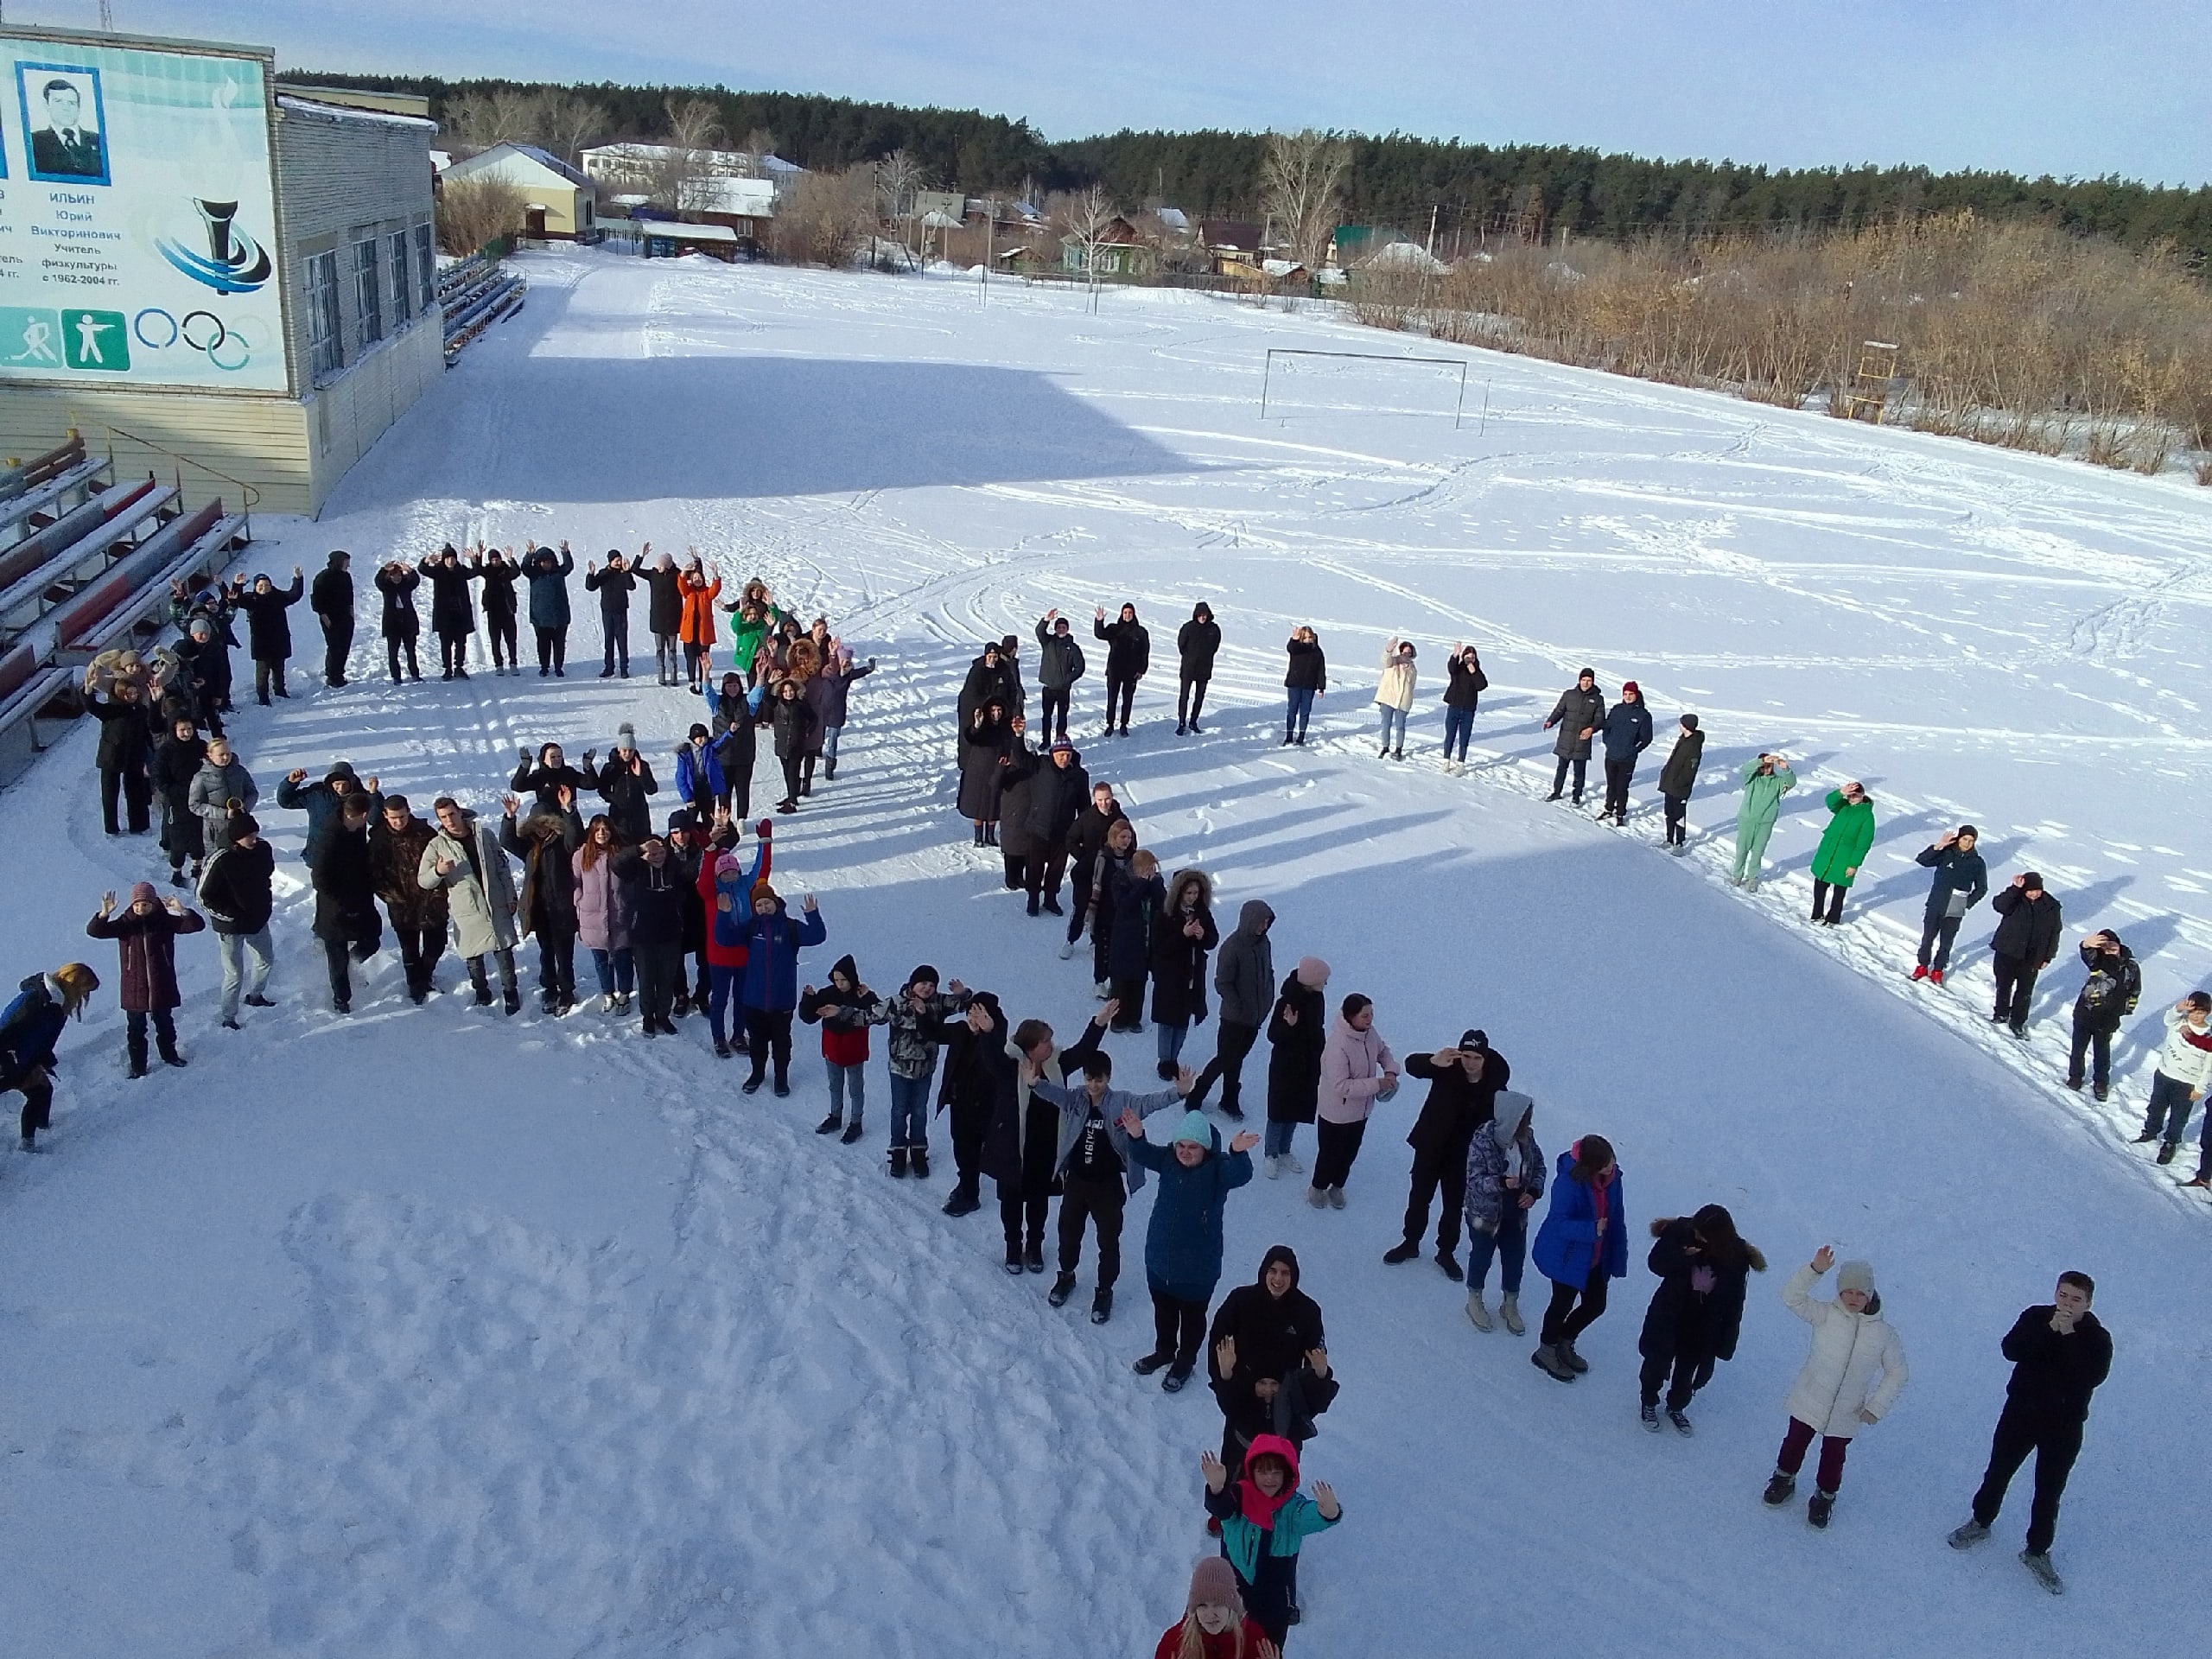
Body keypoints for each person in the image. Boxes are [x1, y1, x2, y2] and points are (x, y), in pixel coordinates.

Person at [1948, 1272, 2112, 1595]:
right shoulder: (2036, 1316)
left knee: (2049, 1490)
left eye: (2076, 1299)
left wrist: (2068, 1336)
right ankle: (1980, 1521)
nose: (2067, 1303)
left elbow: (2090, 1376)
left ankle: (2037, 1550)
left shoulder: (2097, 1338)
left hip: (2063, 1426)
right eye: (2063, 1295)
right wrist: (2049, 1330)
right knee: (1998, 1472)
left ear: (2088, 1303)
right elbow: (2011, 1349)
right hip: (2021, 1414)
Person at [1027, 1011, 1182, 1316]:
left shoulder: (1122, 1102)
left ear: (1108, 1078)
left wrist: (1180, 1092)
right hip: (1076, 1183)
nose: (1093, 1085)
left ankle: (1104, 1290)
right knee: (1068, 1233)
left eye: (1098, 1080)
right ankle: (1066, 1276)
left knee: (1108, 1241)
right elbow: (1054, 1094)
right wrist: (1035, 1085)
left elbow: (1152, 1101)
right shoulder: (1076, 1099)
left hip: (1107, 1188)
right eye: (1088, 1079)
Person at [1763, 1247, 1908, 1529]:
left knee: (1833, 1457)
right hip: (1811, 1396)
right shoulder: (1825, 1314)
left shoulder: (1883, 1333)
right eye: (1848, 1292)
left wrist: (1876, 1406)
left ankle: (1824, 1497)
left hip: (1847, 1410)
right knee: (1794, 1442)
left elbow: (1898, 1372)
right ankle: (1783, 1478)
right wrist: (1814, 1270)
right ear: (1839, 1292)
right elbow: (1790, 1297)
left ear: (1870, 1294)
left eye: (1860, 1293)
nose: (1853, 1298)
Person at [1128, 1109, 1260, 1390]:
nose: (1185, 1152)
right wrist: (1137, 1136)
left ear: (1206, 1149)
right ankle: (1164, 1351)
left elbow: (1240, 1174)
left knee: (1192, 1319)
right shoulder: (1167, 1160)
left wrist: (1237, 1152)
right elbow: (1142, 1154)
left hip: (1198, 1268)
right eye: (1181, 1146)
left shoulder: (1218, 1170)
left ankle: (1185, 1359)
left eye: (1193, 1147)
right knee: (1163, 1313)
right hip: (1160, 1260)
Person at [1385, 1031, 1510, 1277]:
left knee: (1453, 1206)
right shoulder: (1447, 1066)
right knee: (1419, 1198)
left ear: (1485, 1058)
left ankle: (1446, 1251)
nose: (1470, 1062)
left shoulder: (1496, 1085)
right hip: (1430, 1147)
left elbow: (1504, 1122)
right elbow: (1411, 1064)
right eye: (1466, 1055)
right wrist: (1432, 1061)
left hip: (1463, 1158)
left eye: (1476, 1057)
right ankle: (1410, 1243)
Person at [1208, 1247, 1338, 1478]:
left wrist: (1316, 1377)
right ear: (1263, 1272)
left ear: (1294, 1276)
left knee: (1279, 1465)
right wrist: (1229, 1378)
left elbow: (1315, 1361)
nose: (1278, 1279)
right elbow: (1217, 1347)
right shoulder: (1240, 1301)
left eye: (1285, 1273)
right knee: (1238, 1457)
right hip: (1245, 1395)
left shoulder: (1307, 1311)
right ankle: (1231, 1507)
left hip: (1285, 1401)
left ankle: (1280, 1510)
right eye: (1273, 1271)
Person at [1198, 1437, 1340, 1649]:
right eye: (1263, 1472)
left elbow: (1309, 1516)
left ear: (1287, 1474)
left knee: (1268, 1648)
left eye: (1276, 1472)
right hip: (1234, 1589)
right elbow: (1223, 1508)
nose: (1270, 1479)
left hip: (1274, 1598)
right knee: (1231, 1645)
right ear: (1252, 1472)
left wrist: (1329, 1513)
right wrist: (1217, 1489)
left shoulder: (1292, 1507)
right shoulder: (1240, 1496)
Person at [1637, 1205, 1764, 1434]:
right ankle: (1648, 1401)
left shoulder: (1736, 1255)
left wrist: (1726, 1339)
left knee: (1688, 1370)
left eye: (1703, 1234)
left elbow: (1735, 1300)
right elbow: (1656, 1263)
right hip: (1670, 1312)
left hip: (1704, 1321)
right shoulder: (1681, 1231)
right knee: (1657, 1360)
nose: (1697, 1236)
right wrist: (1683, 1259)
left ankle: (1676, 1406)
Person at [1529, 1134, 1625, 1382]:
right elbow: (1558, 1223)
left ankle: (1564, 1340)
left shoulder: (1613, 1179)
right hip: (1568, 1256)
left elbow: (1617, 1216)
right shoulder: (1569, 1183)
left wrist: (1617, 1251)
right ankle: (1545, 1350)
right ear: (1591, 1166)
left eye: (1612, 1159)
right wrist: (1591, 1230)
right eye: (1605, 1163)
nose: (1611, 1166)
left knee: (1596, 1304)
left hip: (1597, 1255)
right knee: (1561, 1303)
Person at [86, 884, 204, 1077]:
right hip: (134, 987)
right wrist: (103, 914)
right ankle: (138, 1066)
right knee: (136, 1030)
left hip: (162, 984)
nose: (141, 909)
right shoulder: (125, 924)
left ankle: (170, 1055)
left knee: (165, 1024)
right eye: (137, 905)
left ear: (154, 904)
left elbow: (196, 926)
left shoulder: (164, 921)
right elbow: (95, 931)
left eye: (146, 905)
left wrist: (182, 910)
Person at [419, 795, 522, 1014]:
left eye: (452, 814)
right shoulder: (437, 845)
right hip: (466, 907)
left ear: (460, 812)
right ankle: (481, 990)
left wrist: (510, 896)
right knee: (473, 954)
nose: (449, 821)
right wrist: (438, 871)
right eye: (443, 817)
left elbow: (503, 867)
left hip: (494, 901)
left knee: (504, 951)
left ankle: (511, 992)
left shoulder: (484, 835)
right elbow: (423, 880)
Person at [735, 881, 825, 1096]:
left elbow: (818, 936)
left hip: (782, 1000)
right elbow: (723, 938)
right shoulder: (750, 927)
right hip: (753, 999)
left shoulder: (790, 927)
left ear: (776, 903)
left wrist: (813, 915)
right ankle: (757, 1074)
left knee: (781, 1044)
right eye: (759, 905)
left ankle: (781, 1078)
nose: (764, 908)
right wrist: (723, 914)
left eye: (767, 903)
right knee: (757, 1042)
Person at [1462, 1093, 1541, 1334]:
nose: (1526, 1125)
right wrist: (1500, 1182)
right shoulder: (1482, 1142)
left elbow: (1539, 1166)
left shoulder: (1527, 1139)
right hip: (1485, 1213)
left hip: (1515, 1210)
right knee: (1482, 1257)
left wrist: (1534, 1191)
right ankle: (1474, 1299)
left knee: (1515, 1258)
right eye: (1523, 1120)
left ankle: (1510, 1303)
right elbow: (1474, 1181)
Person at [879, 965, 968, 1179]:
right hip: (899, 1069)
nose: (927, 988)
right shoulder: (896, 1003)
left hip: (924, 1069)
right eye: (923, 983)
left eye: (931, 985)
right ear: (912, 984)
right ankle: (898, 1150)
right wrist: (840, 1012)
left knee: (919, 1111)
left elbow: (968, 1005)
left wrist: (963, 994)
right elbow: (869, 1015)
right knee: (899, 1111)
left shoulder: (939, 1003)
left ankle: (918, 1150)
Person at [1310, 994, 1397, 1209]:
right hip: (1336, 1114)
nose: (1370, 1019)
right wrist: (1377, 1084)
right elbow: (1341, 1086)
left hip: (1361, 1112)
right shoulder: (1337, 1046)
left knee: (1350, 1152)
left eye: (1371, 1014)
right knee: (1329, 1154)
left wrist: (1391, 1071)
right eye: (1365, 1015)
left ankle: (1337, 1186)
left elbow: (1382, 1050)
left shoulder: (1369, 1034)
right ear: (1351, 1016)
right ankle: (1318, 1187)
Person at [2, 963, 99, 1150]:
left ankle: (37, 1131)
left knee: (42, 1091)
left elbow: (42, 1040)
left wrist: (39, 1063)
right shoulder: (39, 1002)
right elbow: (8, 1028)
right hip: (7, 1061)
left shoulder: (54, 1004)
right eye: (84, 992)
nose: (84, 998)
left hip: (21, 1060)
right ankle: (27, 1145)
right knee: (39, 1092)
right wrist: (11, 1061)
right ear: (73, 985)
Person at [1192, 900, 1274, 1120]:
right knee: (1225, 1058)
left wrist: (1267, 1000)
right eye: (1260, 921)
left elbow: (1268, 973)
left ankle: (1229, 1099)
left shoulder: (1264, 944)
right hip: (1234, 1018)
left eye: (1267, 922)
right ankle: (1196, 1095)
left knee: (1237, 1059)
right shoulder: (1233, 947)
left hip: (1255, 1018)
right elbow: (1222, 982)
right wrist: (1237, 1004)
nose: (1264, 926)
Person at [696, 831, 774, 1058]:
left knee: (742, 998)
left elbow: (762, 869)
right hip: (719, 956)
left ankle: (739, 1035)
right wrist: (710, 852)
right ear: (718, 874)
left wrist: (764, 842)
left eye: (733, 871)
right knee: (719, 999)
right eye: (725, 872)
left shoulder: (747, 886)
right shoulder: (712, 892)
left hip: (744, 954)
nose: (730, 875)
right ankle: (719, 1038)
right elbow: (704, 879)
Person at [505, 792, 584, 1014]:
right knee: (546, 951)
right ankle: (549, 988)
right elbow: (507, 840)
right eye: (536, 825)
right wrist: (510, 817)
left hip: (562, 908)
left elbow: (575, 836)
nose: (541, 829)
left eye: (545, 824)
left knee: (564, 953)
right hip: (539, 909)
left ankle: (567, 990)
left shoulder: (563, 844)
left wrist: (569, 811)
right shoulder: (529, 846)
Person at [198, 812, 276, 1028]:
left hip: (258, 920)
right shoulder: (220, 858)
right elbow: (203, 896)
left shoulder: (263, 849)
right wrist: (230, 914)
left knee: (266, 959)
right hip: (230, 926)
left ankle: (256, 995)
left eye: (255, 834)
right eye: (248, 836)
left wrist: (263, 905)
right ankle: (228, 1016)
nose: (253, 839)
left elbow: (267, 874)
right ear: (235, 838)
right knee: (234, 974)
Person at [368, 795, 445, 1004]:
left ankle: (426, 974)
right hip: (401, 903)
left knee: (436, 944)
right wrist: (391, 898)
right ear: (385, 815)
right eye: (394, 818)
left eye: (402, 816)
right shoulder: (379, 839)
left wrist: (439, 891)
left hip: (430, 899)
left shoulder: (424, 833)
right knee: (409, 949)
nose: (399, 822)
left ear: (409, 811)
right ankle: (415, 985)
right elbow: (375, 875)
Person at [312, 793, 384, 1014]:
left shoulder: (357, 829)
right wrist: (343, 902)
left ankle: (354, 963)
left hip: (361, 899)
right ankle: (341, 999)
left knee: (372, 940)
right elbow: (320, 879)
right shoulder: (330, 838)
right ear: (362, 815)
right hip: (335, 909)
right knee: (337, 955)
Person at [799, 955, 881, 1141]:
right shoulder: (828, 994)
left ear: (852, 978)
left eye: (843, 980)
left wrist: (869, 996)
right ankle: (835, 1116)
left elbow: (879, 1012)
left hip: (854, 1049)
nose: (840, 984)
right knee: (835, 1085)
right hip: (832, 1048)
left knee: (855, 1088)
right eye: (836, 980)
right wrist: (809, 999)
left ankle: (856, 1122)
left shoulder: (861, 994)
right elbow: (809, 1017)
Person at [613, 830, 687, 1035]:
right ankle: (647, 1016)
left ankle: (663, 1015)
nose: (657, 857)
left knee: (666, 978)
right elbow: (616, 863)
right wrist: (639, 849)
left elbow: (692, 873)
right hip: (643, 935)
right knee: (646, 978)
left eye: (660, 852)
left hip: (670, 933)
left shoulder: (674, 867)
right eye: (652, 854)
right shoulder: (635, 870)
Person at [1263, 958, 1328, 1178]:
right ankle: (1270, 1154)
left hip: (1308, 1065)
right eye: (1323, 980)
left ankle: (1285, 1150)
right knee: (1278, 1110)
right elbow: (1272, 1034)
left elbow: (1317, 1030)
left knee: (1296, 1109)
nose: (1325, 984)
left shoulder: (1318, 1000)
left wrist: (1324, 1054)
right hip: (1285, 1065)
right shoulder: (1286, 1003)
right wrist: (1289, 1027)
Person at [1153, 868, 1219, 1077]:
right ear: (1179, 893)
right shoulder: (1165, 914)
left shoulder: (1202, 914)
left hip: (1193, 977)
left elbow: (1213, 940)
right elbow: (1160, 947)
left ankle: (1174, 1058)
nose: (1193, 897)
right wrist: (1182, 935)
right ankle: (1165, 1060)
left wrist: (1202, 935)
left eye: (1196, 893)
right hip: (1170, 977)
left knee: (1183, 1020)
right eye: (1189, 893)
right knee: (1167, 1021)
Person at [2135, 991, 2212, 1167]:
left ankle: (2170, 1143)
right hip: (2164, 1075)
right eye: (2193, 1012)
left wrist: (2200, 1088)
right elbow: (2167, 1019)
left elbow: (2209, 1067)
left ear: (2208, 1013)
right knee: (2156, 1107)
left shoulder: (2208, 1037)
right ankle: (2151, 1131)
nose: (2196, 1016)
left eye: (2200, 1013)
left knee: (2179, 1116)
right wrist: (2178, 1008)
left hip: (2187, 1083)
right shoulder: (2178, 1023)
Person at [2064, 931, 2140, 1099]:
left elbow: (2135, 990)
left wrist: (2125, 1009)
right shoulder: (2097, 962)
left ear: (2119, 945)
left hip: (2109, 1019)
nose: (2109, 949)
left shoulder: (2132, 967)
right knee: (2078, 1049)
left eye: (2112, 945)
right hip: (2086, 1014)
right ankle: (2075, 1077)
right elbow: (2087, 955)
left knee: (2102, 1053)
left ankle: (2101, 1082)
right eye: (2104, 946)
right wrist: (2085, 944)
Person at [1154, 1556, 1276, 1659]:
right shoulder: (1174, 1644)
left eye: (1218, 1604)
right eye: (1202, 1605)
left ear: (1231, 1606)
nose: (1210, 1614)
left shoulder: (1254, 1639)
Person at [1019, 740, 1090, 916]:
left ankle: (1051, 899)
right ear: (1053, 754)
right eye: (1060, 755)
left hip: (1064, 832)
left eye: (1067, 755)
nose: (1064, 759)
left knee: (1057, 868)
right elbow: (1020, 757)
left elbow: (1084, 805)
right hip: (1038, 828)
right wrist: (1018, 736)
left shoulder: (1079, 775)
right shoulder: (1040, 766)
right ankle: (1033, 899)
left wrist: (1083, 831)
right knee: (1034, 866)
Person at [1988, 873, 2063, 1036]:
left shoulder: (2051, 906)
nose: (2034, 893)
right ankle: (2001, 1013)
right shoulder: (2015, 899)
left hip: (2032, 956)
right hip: (2007, 950)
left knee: (2025, 991)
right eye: (2030, 890)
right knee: (2003, 985)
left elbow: (2055, 932)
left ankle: (2017, 1022)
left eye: (2037, 890)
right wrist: (2015, 889)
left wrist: (2048, 956)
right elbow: (1999, 905)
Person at [1911, 824, 1988, 983]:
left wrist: (1966, 903)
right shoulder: (1946, 853)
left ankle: (1938, 970)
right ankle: (1922, 966)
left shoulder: (1977, 863)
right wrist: (1939, 846)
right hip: (1935, 904)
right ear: (1959, 838)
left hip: (1955, 907)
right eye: (1964, 839)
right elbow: (1922, 860)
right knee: (1927, 939)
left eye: (1971, 841)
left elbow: (1982, 889)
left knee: (1946, 942)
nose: (1967, 843)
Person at [1058, 780, 1125, 963]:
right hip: (1087, 874)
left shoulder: (1119, 819)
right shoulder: (1086, 818)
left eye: (1108, 799)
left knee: (1103, 911)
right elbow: (1070, 839)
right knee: (1081, 908)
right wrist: (1086, 859)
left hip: (1110, 875)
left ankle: (1095, 942)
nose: (1105, 803)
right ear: (1095, 799)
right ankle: (1071, 940)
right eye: (1101, 800)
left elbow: (1128, 840)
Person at [573, 815, 634, 1013]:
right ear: (591, 832)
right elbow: (575, 884)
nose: (602, 833)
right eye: (597, 829)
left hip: (619, 915)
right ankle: (608, 993)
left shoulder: (621, 853)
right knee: (600, 960)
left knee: (623, 958)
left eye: (605, 829)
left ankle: (624, 994)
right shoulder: (581, 855)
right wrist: (580, 901)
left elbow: (631, 882)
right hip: (592, 917)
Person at [276, 761, 381, 868]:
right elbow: (286, 801)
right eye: (337, 785)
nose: (341, 788)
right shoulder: (317, 794)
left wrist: (373, 795)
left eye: (344, 784)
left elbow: (375, 819)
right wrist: (290, 783)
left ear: (351, 782)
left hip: (352, 858)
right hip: (320, 856)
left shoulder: (360, 796)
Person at [1104, 845, 1164, 1028]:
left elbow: (1163, 905)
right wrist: (1141, 884)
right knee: (1121, 983)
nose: (1150, 872)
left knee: (1139, 982)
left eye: (1153, 868)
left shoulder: (1155, 883)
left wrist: (1154, 885)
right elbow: (1125, 905)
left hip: (1145, 940)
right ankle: (1117, 1019)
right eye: (1147, 869)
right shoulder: (1121, 880)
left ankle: (1134, 1018)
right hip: (1125, 939)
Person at [88, 674, 156, 835]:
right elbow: (92, 707)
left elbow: (148, 729)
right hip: (111, 756)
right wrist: (88, 690)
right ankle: (111, 827)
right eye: (129, 693)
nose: (133, 696)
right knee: (110, 794)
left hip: (134, 756)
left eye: (135, 693)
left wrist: (149, 755)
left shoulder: (140, 709)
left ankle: (139, 825)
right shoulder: (111, 710)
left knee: (135, 792)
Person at [152, 715, 208, 887]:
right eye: (182, 730)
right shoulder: (166, 751)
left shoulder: (200, 747)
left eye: (189, 729)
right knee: (178, 838)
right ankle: (176, 871)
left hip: (200, 799)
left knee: (199, 834)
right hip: (176, 801)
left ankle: (197, 867)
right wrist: (178, 791)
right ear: (174, 731)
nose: (186, 733)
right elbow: (160, 779)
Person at [234, 569, 304, 704]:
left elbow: (295, 595)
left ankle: (280, 690)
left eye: (267, 585)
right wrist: (238, 585)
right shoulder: (251, 599)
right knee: (263, 671)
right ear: (255, 587)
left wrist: (298, 579)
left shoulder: (278, 596)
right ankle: (263, 696)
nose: (264, 588)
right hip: (261, 641)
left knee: (279, 667)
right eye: (261, 586)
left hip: (279, 638)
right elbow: (237, 599)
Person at [1808, 780, 1874, 925]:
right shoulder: (1843, 807)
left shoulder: (1867, 816)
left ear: (1862, 796)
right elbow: (1830, 802)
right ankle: (1817, 914)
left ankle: (1833, 918)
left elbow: (1863, 844)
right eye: (1850, 796)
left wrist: (1854, 864)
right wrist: (1840, 793)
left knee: (1839, 890)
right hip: (1828, 851)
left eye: (1855, 796)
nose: (1852, 799)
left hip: (1846, 857)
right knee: (1820, 883)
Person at [1732, 751, 1796, 889]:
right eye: (1763, 766)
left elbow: (1791, 782)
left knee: (1758, 850)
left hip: (1766, 821)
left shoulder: (1778, 781)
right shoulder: (1752, 778)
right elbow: (1745, 769)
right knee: (1742, 849)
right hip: (1747, 819)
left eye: (1769, 766)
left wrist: (1785, 768)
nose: (1766, 769)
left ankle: (1752, 877)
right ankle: (1737, 875)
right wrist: (1761, 761)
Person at [809, 647, 874, 782]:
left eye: (848, 660)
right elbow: (823, 673)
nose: (845, 662)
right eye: (843, 659)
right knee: (818, 734)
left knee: (833, 741)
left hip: (837, 712)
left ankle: (829, 768)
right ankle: (816, 752)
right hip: (823, 709)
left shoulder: (849, 674)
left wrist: (869, 668)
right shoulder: (828, 671)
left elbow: (859, 672)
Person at [187, 737, 257, 862]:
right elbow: (194, 805)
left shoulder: (239, 771)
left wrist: (244, 808)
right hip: (216, 831)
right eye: (221, 755)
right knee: (220, 863)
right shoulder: (201, 778)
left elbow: (252, 792)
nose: (225, 758)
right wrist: (224, 813)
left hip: (241, 827)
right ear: (210, 756)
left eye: (228, 754)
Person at [1541, 669, 1605, 804]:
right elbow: (1559, 711)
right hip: (1566, 738)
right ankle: (1556, 792)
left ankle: (1576, 796)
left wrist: (1591, 729)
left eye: (1589, 680)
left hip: (1582, 740)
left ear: (1593, 682)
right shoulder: (1569, 695)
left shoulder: (1598, 699)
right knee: (1561, 768)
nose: (1586, 683)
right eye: (1584, 680)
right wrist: (1550, 721)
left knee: (1579, 771)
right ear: (1579, 680)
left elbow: (1600, 719)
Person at [1595, 679, 1652, 824]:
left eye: (1631, 694)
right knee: (1611, 785)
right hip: (1611, 755)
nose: (1627, 697)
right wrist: (1607, 741)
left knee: (1622, 787)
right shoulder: (1616, 710)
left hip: (1627, 759)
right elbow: (1607, 727)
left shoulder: (1643, 715)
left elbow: (1646, 738)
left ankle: (1620, 813)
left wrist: (1633, 750)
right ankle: (1608, 809)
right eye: (1625, 694)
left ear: (1636, 695)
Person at [417, 545, 478, 679]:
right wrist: (426, 560)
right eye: (448, 558)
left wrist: (474, 559)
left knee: (461, 643)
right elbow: (422, 569)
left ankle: (459, 667)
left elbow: (474, 572)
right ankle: (448, 669)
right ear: (443, 560)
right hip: (444, 615)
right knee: (445, 643)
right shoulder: (438, 571)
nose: (450, 561)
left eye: (453, 558)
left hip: (460, 614)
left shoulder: (460, 570)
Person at [594, 727, 658, 844]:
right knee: (620, 849)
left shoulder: (642, 766)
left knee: (642, 850)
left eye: (631, 751)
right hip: (619, 816)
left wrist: (640, 775)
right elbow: (602, 790)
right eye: (624, 750)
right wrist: (615, 800)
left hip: (640, 817)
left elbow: (652, 789)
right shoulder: (611, 768)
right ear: (619, 750)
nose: (627, 754)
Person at [1094, 602, 1150, 735]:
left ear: (1134, 614)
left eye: (1130, 613)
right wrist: (1099, 621)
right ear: (1121, 614)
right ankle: (1110, 725)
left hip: (1131, 671)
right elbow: (1100, 634)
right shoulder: (1114, 629)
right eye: (1125, 613)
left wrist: (1142, 670)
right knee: (1112, 698)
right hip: (1114, 669)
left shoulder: (1141, 632)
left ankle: (1124, 725)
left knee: (1127, 699)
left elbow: (1145, 652)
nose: (1127, 615)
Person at [522, 543, 575, 677]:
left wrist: (566, 553)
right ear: (538, 563)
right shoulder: (534, 574)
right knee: (543, 645)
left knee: (559, 645)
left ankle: (558, 667)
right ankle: (544, 667)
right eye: (543, 562)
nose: (546, 564)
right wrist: (529, 554)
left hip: (560, 617)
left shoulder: (558, 573)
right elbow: (524, 568)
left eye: (549, 561)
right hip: (540, 618)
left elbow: (569, 567)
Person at [1033, 608, 1086, 742]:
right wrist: (1046, 620)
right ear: (1055, 628)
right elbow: (1039, 631)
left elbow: (1080, 667)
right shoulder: (1048, 642)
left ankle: (1060, 740)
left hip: (1063, 689)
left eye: (1063, 627)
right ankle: (1045, 741)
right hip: (1049, 687)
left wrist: (1067, 679)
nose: (1061, 629)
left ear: (1067, 629)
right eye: (1059, 627)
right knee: (1046, 716)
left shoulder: (1072, 647)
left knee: (1062, 717)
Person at [584, 550, 636, 678]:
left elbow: (631, 586)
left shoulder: (623, 573)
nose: (619, 563)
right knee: (609, 641)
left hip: (621, 611)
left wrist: (627, 572)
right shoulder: (604, 573)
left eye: (620, 560)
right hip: (608, 611)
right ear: (610, 561)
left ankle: (624, 668)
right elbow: (591, 587)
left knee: (622, 641)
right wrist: (591, 574)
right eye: (616, 560)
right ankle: (609, 668)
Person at [1656, 713, 1703, 853]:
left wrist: (1678, 782)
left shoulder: (1694, 745)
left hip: (1680, 788)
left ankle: (1680, 843)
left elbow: (1690, 771)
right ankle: (1669, 839)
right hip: (1670, 784)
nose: (1679, 726)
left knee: (1679, 815)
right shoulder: (1683, 739)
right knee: (1669, 813)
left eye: (1681, 723)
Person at [770, 677, 817, 815]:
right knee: (786, 773)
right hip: (782, 744)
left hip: (796, 745)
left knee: (793, 773)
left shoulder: (801, 704)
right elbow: (765, 696)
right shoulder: (777, 704)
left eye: (791, 691)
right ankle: (792, 796)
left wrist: (807, 732)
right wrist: (771, 682)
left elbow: (814, 719)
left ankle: (791, 801)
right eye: (785, 691)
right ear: (781, 693)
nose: (789, 693)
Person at [373, 559, 423, 683]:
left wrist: (410, 571)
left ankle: (415, 674)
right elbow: (378, 581)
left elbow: (415, 581)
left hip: (407, 620)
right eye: (394, 575)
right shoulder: (386, 587)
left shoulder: (406, 584)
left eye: (399, 575)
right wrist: (384, 569)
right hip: (392, 622)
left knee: (411, 650)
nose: (396, 578)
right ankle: (396, 676)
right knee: (393, 651)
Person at [309, 551, 354, 687]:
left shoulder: (346, 576)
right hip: (330, 616)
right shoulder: (323, 577)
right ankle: (332, 675)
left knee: (345, 645)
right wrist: (325, 617)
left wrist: (352, 614)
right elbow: (316, 600)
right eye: (346, 562)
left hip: (345, 615)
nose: (348, 565)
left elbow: (349, 596)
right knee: (334, 646)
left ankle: (339, 673)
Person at [1178, 602, 1222, 735]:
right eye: (1200, 615)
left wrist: (1206, 657)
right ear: (1196, 615)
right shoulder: (1188, 628)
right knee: (1184, 696)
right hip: (1188, 668)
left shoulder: (1214, 629)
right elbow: (1181, 645)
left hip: (1205, 668)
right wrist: (1190, 657)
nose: (1202, 617)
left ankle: (1194, 721)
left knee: (1199, 696)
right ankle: (1181, 722)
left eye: (1205, 615)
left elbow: (1215, 646)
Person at [1440, 645, 1485, 772]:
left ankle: (1461, 763)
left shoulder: (1477, 671)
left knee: (1464, 737)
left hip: (1468, 710)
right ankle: (1446, 760)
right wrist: (1455, 654)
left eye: (1472, 657)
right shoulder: (1458, 669)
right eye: (1467, 657)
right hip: (1454, 706)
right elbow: (1451, 668)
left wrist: (1474, 672)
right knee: (1450, 735)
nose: (1470, 660)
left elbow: (1482, 685)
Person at [644, 549, 686, 686]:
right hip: (658, 620)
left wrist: (697, 561)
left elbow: (694, 576)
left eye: (661, 565)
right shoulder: (653, 574)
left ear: (668, 564)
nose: (659, 567)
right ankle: (661, 673)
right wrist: (641, 556)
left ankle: (674, 676)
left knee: (672, 650)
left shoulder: (678, 575)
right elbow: (635, 569)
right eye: (658, 564)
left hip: (673, 621)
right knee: (660, 649)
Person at [510, 742, 588, 813]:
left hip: (569, 817)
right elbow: (517, 786)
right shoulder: (540, 775)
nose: (557, 759)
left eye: (559, 756)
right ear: (544, 759)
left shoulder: (569, 773)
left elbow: (590, 784)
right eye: (553, 757)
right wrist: (524, 767)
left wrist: (588, 767)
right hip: (548, 820)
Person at [479, 547, 522, 674]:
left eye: (497, 559)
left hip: (507, 610)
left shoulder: (506, 570)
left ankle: (513, 663)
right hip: (493, 611)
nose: (495, 561)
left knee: (511, 639)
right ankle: (499, 664)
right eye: (493, 560)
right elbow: (478, 570)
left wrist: (510, 559)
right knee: (495, 639)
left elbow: (517, 572)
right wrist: (478, 557)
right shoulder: (488, 571)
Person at [1372, 639, 1416, 760]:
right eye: (1404, 652)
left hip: (1402, 702)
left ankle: (1398, 749)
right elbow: (1385, 659)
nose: (1406, 655)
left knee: (1400, 727)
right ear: (1400, 652)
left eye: (1409, 653)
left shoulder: (1412, 669)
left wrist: (1409, 700)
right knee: (1386, 724)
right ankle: (1385, 747)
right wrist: (1388, 650)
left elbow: (1411, 686)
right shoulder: (1392, 663)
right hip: (1388, 699)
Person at [1281, 628, 1325, 747]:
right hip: (1294, 684)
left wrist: (1321, 687)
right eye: (1305, 638)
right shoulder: (1298, 649)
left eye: (1310, 637)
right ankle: (1289, 736)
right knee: (1292, 711)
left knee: (1305, 712)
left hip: (1309, 686)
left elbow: (1321, 670)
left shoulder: (1317, 652)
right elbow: (1291, 648)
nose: (1308, 640)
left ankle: (1301, 737)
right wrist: (1294, 640)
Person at [676, 724, 728, 819]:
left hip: (707, 788)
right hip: (693, 789)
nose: (702, 740)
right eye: (699, 738)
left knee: (709, 819)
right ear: (693, 738)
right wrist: (688, 797)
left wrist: (730, 733)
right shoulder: (685, 754)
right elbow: (681, 778)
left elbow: (721, 743)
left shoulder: (710, 749)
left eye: (705, 737)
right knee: (691, 821)